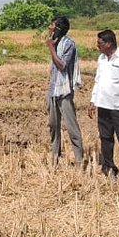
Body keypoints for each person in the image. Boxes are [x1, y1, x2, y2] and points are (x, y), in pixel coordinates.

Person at [89, 29, 119, 176]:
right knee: (105, 138)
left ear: (109, 43)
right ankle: (109, 167)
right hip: (103, 105)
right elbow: (98, 81)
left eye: (100, 43)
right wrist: (93, 101)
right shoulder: (102, 59)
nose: (98, 46)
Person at [44, 16, 85, 167]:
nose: (49, 27)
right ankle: (55, 159)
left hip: (64, 91)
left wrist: (51, 49)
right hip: (53, 90)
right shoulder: (56, 42)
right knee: (53, 126)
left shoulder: (69, 45)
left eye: (52, 25)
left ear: (58, 28)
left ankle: (80, 161)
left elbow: (62, 65)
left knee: (71, 127)